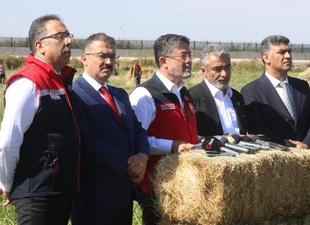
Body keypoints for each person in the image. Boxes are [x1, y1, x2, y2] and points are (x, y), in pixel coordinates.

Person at [0, 14, 80, 225]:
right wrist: (6, 182)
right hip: (37, 192)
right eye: (60, 36)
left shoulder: (59, 79)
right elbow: (7, 142)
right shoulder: (28, 82)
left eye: (68, 35)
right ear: (40, 45)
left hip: (58, 189)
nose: (68, 41)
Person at [70, 33, 149, 225]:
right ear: (84, 59)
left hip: (122, 196)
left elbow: (138, 130)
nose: (108, 61)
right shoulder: (73, 95)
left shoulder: (120, 94)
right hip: (94, 199)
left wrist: (142, 156)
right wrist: (128, 166)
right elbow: (88, 140)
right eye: (102, 56)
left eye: (112, 57)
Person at [129, 33, 198, 225]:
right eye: (183, 56)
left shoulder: (184, 93)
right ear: (163, 61)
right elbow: (135, 139)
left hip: (185, 182)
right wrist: (173, 146)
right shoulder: (145, 94)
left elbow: (185, 133)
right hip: (156, 186)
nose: (189, 60)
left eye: (190, 55)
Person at [241, 35, 310, 149]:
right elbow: (257, 129)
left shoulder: (302, 86)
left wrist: (306, 144)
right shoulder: (251, 91)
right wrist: (289, 146)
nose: (288, 56)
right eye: (282, 52)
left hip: (305, 154)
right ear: (266, 57)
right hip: (275, 157)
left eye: (289, 51)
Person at [189, 44, 247, 137]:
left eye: (227, 67)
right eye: (217, 69)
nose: (224, 74)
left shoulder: (237, 97)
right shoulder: (192, 97)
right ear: (204, 71)